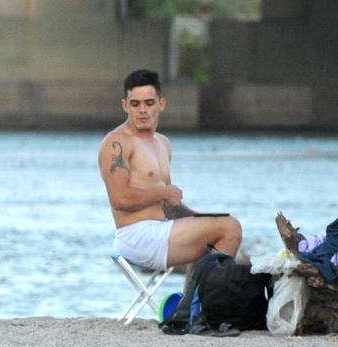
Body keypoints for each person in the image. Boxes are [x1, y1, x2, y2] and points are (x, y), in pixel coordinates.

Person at [98, 69, 242, 283]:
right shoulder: (117, 143)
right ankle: (202, 305)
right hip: (135, 236)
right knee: (230, 228)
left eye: (149, 103)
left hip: (160, 230)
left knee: (216, 227)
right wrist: (162, 192)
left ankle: (190, 308)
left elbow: (168, 206)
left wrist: (200, 218)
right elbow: (120, 200)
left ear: (161, 104)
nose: (143, 110)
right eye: (135, 104)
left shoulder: (162, 143)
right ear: (125, 105)